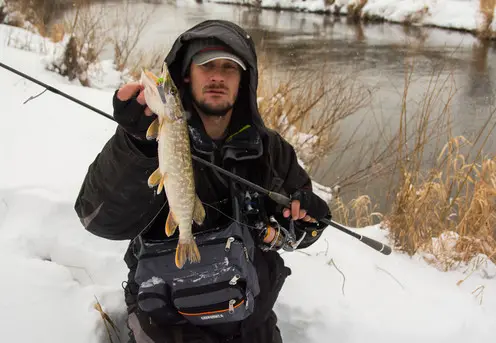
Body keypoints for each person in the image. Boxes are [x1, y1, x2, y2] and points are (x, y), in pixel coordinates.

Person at [74, 19, 331, 343]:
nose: (217, 76)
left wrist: (309, 217)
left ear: (244, 79)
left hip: (252, 320)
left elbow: (298, 235)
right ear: (186, 75)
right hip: (165, 324)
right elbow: (97, 219)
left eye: (229, 67)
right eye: (206, 65)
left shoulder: (272, 151)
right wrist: (135, 146)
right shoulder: (151, 137)